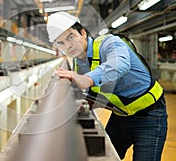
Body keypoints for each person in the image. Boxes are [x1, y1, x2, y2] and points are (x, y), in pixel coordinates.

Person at [46, 11, 168, 161]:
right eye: (61, 43)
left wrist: (87, 79)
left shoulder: (109, 43)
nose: (68, 45)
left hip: (150, 116)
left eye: (71, 37)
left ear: (83, 32)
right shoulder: (79, 63)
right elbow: (102, 92)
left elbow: (120, 64)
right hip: (120, 116)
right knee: (102, 156)